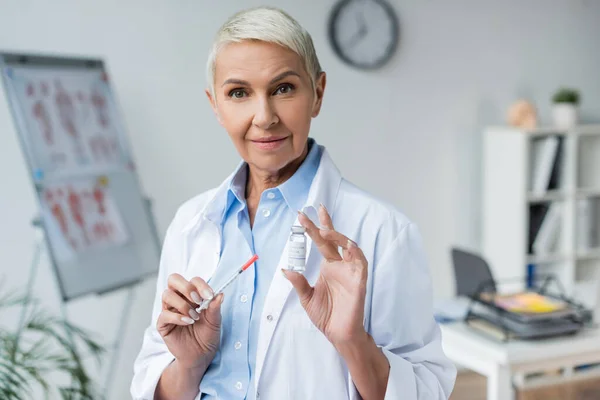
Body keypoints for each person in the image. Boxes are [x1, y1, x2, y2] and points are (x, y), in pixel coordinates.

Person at [131, 6, 456, 400]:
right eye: (238, 93)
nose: (264, 117)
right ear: (215, 105)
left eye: (283, 89)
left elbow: (428, 392)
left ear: (317, 93)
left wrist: (353, 341)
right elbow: (152, 383)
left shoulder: (383, 232)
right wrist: (189, 364)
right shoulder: (190, 223)